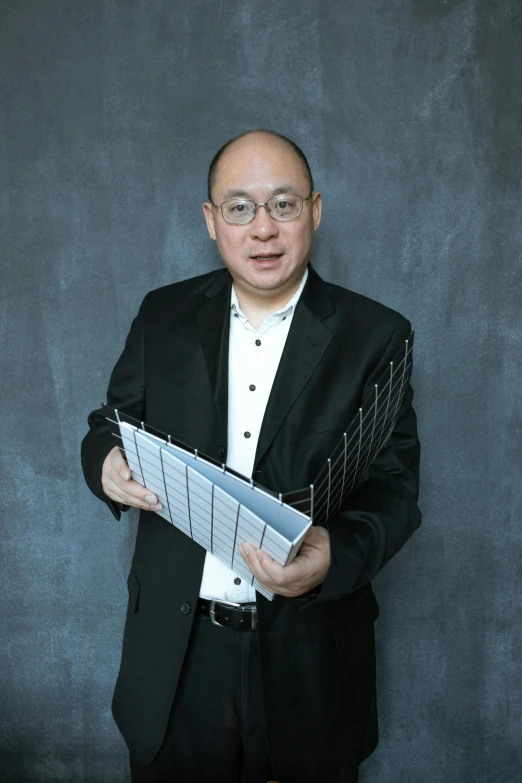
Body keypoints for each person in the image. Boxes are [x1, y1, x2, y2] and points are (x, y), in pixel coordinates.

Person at [81, 129, 421, 783]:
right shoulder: (162, 314)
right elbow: (108, 422)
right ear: (212, 221)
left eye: (283, 205)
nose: (262, 228)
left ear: (314, 211)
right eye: (239, 207)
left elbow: (396, 489)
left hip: (308, 660)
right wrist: (105, 463)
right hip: (177, 660)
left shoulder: (377, 334)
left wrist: (333, 556)